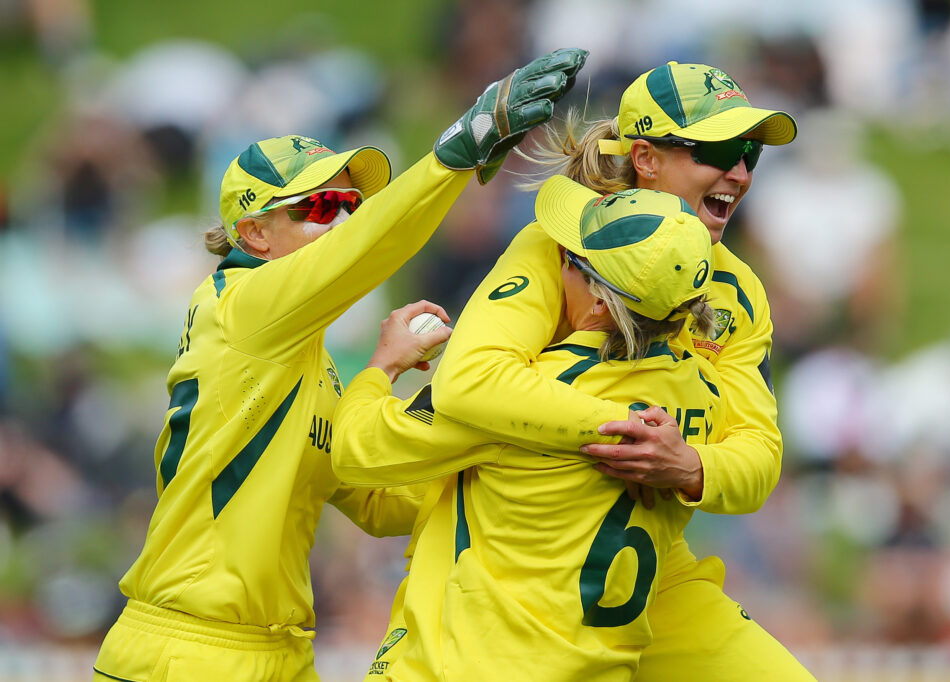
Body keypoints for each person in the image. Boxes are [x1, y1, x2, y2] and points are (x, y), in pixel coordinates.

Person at [91, 47, 589, 682]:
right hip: (190, 650)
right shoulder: (240, 305)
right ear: (253, 237)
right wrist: (457, 152)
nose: (346, 219)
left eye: (350, 204)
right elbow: (364, 253)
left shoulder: (306, 360)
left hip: (280, 651)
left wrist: (499, 418)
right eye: (321, 208)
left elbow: (381, 501)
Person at [426, 61, 817, 680]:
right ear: (646, 158)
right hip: (519, 568)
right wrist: (631, 430)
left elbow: (760, 457)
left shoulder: (739, 291)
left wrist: (688, 466)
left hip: (653, 568)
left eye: (750, 152)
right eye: (717, 149)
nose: (740, 173)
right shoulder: (562, 246)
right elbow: (465, 381)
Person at [333, 178, 725, 680]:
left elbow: (356, 450)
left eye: (569, 260)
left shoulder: (522, 394)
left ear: (602, 303)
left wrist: (380, 368)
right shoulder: (699, 400)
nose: (557, 263)